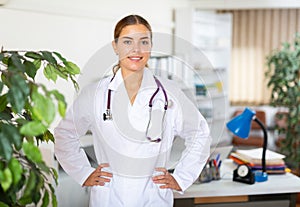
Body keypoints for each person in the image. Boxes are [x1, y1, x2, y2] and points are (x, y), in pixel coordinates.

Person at [54, 14, 211, 207]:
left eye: (143, 42)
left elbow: (200, 133)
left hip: (154, 198)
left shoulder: (170, 93)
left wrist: (181, 177)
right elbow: (64, 134)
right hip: (109, 197)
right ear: (115, 46)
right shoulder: (94, 94)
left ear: (150, 46)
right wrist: (83, 173)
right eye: (127, 42)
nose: (136, 49)